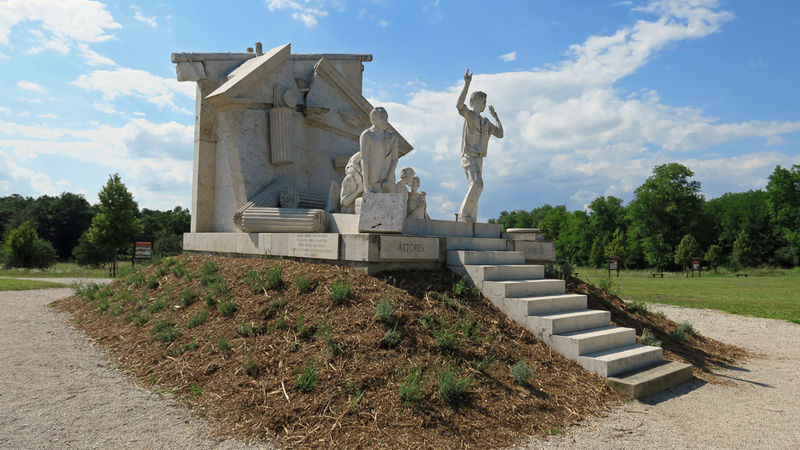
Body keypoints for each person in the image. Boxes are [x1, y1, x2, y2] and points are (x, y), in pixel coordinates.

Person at [456, 69, 503, 222]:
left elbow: (500, 133)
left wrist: (496, 117)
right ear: (474, 102)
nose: (484, 105)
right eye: (483, 102)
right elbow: (459, 105)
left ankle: (471, 216)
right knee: (477, 183)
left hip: (479, 158)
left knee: (477, 186)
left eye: (485, 103)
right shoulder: (470, 116)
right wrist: (467, 83)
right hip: (468, 156)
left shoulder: (486, 122)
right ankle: (464, 215)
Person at [360, 106, 398, 194]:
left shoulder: (392, 137)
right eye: (382, 117)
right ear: (373, 118)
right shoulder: (367, 135)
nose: (385, 120)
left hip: (388, 182)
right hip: (373, 183)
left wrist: (388, 179)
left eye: (386, 118)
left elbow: (394, 159)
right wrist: (365, 186)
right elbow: (364, 160)